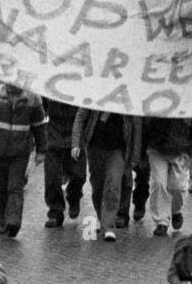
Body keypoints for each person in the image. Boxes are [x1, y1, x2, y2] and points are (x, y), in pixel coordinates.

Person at [0, 83, 47, 238]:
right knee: (0, 187)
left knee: (15, 186)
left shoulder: (33, 99)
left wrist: (41, 150)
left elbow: (39, 126)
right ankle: (2, 221)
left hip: (20, 152)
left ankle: (13, 222)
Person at [71, 108, 130, 241]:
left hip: (117, 149)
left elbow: (135, 125)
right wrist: (76, 144)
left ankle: (108, 226)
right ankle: (101, 216)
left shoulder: (126, 97)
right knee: (97, 185)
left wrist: (135, 154)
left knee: (113, 185)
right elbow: (80, 117)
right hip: (95, 146)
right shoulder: (95, 92)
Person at [145, 114, 192, 237]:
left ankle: (176, 210)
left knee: (176, 186)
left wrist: (190, 153)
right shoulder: (155, 105)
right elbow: (144, 125)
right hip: (157, 150)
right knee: (159, 184)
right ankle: (161, 221)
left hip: (180, 153)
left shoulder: (189, 109)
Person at [42, 99, 86, 228]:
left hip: (75, 137)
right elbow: (42, 107)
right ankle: (55, 212)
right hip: (53, 137)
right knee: (52, 177)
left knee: (79, 175)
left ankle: (74, 195)